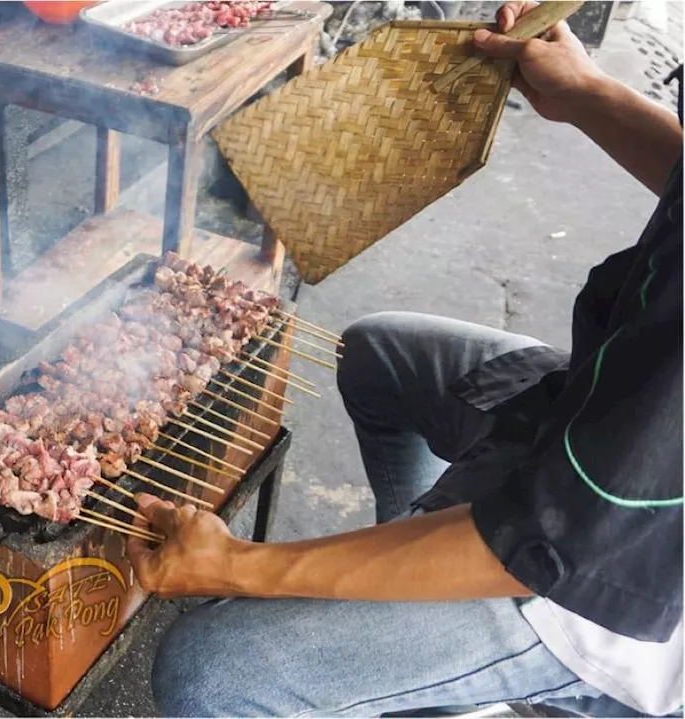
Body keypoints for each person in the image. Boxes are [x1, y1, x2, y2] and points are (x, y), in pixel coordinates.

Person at [128, 2, 683, 716]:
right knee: (376, 353)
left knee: (212, 669)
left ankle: (435, 646)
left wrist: (238, 564)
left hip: (606, 594)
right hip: (593, 403)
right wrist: (587, 94)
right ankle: (411, 627)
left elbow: (549, 543)